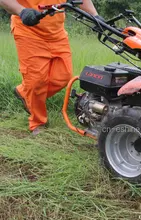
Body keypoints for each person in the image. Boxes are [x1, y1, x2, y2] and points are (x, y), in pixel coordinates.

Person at [0, 0, 101, 135]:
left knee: (64, 77)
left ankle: (25, 93)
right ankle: (38, 122)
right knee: (36, 81)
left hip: (56, 34)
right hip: (28, 31)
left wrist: (95, 16)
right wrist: (21, 11)